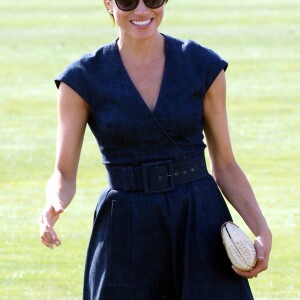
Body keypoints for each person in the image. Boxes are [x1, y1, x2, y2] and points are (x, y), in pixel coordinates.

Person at [39, 0, 272, 299]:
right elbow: (63, 172)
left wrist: (261, 230)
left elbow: (225, 164)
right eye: (126, 1)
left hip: (198, 219)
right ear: (108, 4)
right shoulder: (81, 79)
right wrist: (53, 204)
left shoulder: (203, 66)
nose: (141, 10)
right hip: (125, 224)